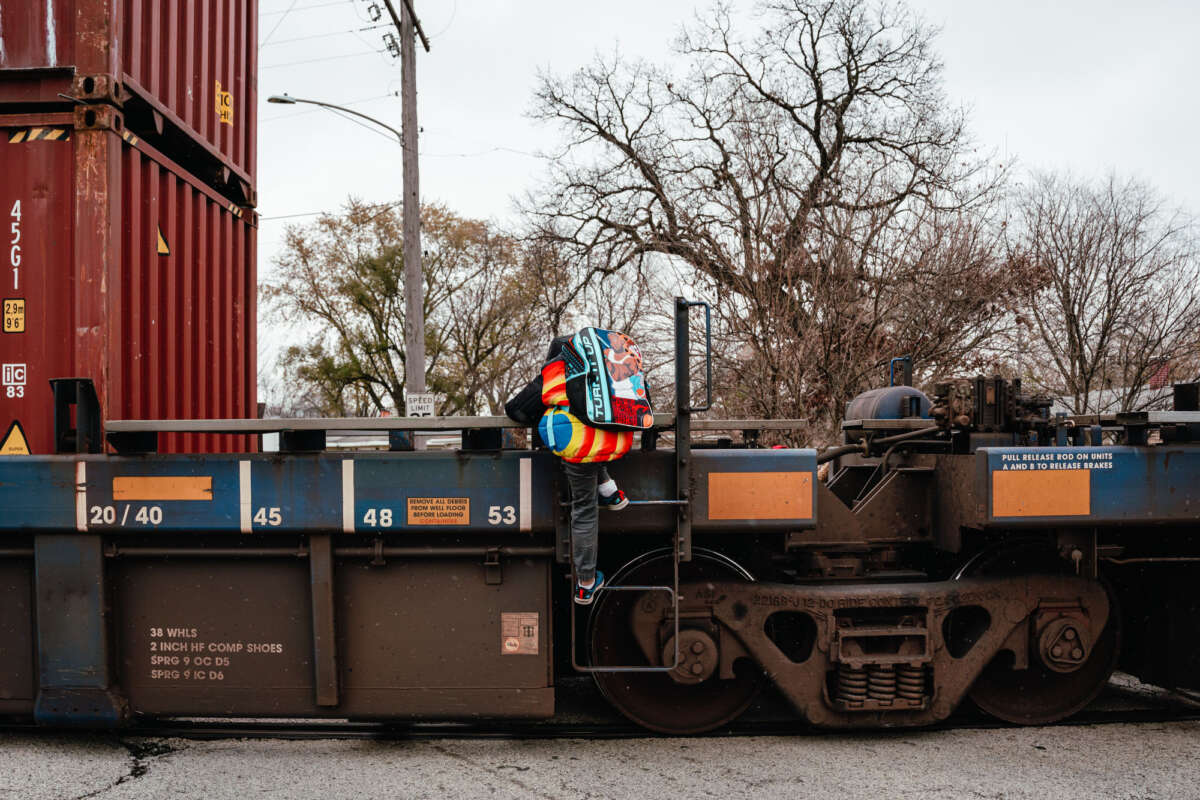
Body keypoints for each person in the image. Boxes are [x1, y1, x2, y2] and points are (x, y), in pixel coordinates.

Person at [505, 336, 634, 605]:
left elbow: (516, 410)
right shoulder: (609, 364)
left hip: (580, 446)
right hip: (613, 438)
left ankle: (586, 583)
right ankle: (611, 493)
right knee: (592, 441)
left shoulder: (556, 370)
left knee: (584, 510)